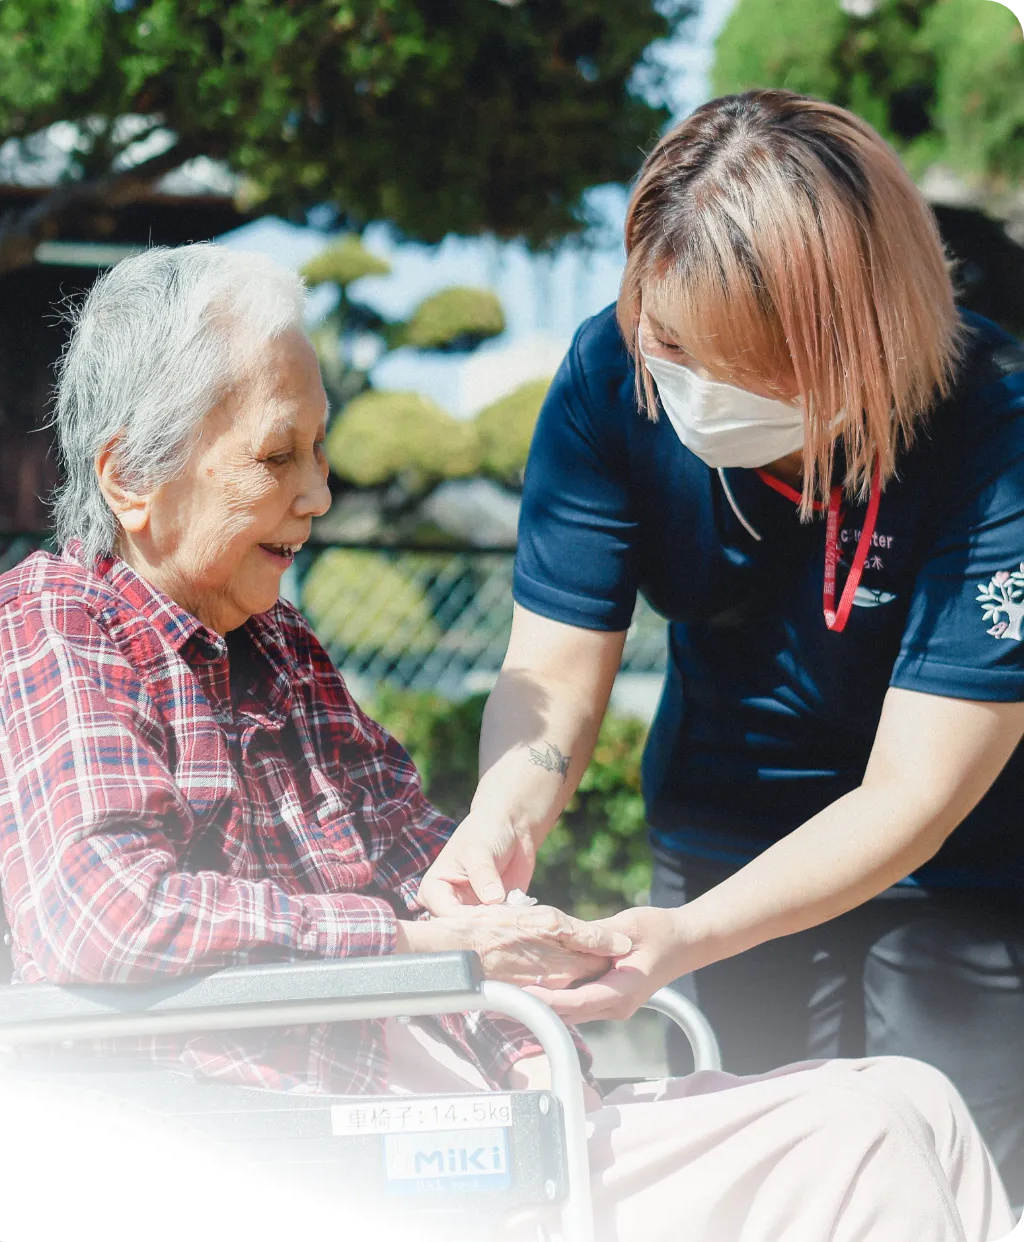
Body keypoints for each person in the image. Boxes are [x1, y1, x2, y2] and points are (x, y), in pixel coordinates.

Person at [0, 243, 1013, 1242]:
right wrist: (421, 952)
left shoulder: (282, 650)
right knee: (870, 1139)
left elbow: (436, 883)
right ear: (130, 478)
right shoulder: (56, 621)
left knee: (914, 1102)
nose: (319, 495)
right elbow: (102, 913)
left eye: (321, 452)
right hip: (300, 1153)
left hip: (467, 1132)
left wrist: (531, 1013)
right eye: (278, 456)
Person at [418, 89, 1024, 1206]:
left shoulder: (993, 428)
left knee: (952, 1172)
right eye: (666, 341)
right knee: (762, 1181)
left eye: (730, 361)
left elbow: (916, 790)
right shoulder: (610, 378)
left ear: (850, 343)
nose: (687, 382)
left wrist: (684, 937)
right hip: (722, 829)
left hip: (961, 872)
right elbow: (554, 673)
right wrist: (503, 815)